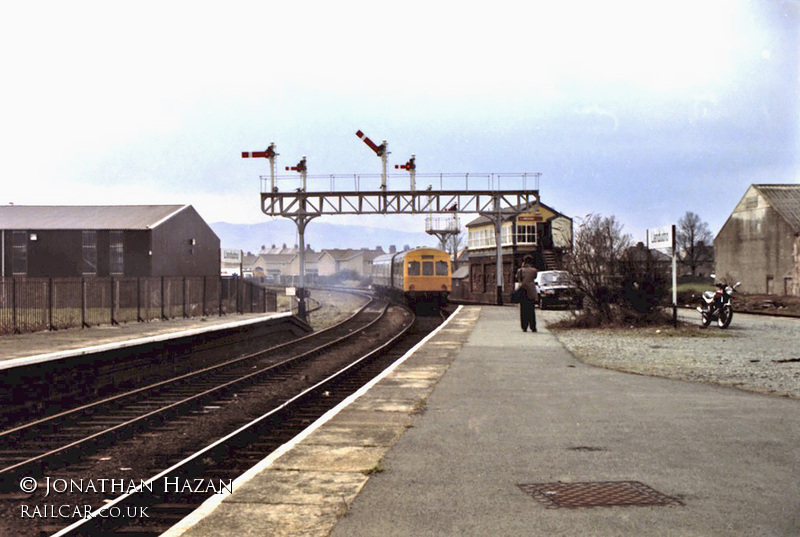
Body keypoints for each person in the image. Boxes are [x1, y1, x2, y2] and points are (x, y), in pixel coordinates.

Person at [516, 255, 539, 332]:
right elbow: (534, 277)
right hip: (531, 292)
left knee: (523, 310)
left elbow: (518, 278)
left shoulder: (520, 270)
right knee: (531, 310)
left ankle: (524, 326)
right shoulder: (534, 270)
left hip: (523, 291)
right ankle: (533, 326)